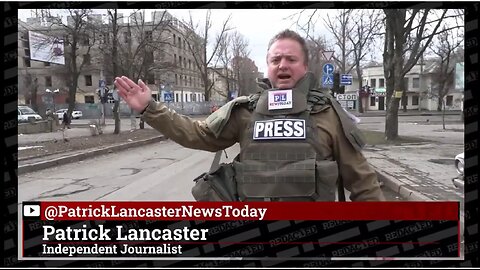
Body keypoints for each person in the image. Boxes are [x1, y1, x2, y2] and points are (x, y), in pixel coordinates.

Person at [114, 29, 385, 202]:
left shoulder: (328, 113)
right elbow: (197, 135)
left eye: (291, 59)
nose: (282, 65)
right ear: (267, 67)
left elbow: (362, 180)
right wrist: (151, 108)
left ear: (304, 65)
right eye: (275, 59)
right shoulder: (245, 111)